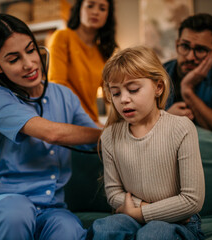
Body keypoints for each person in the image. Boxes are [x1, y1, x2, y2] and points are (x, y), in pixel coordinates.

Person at [0, 13, 101, 240]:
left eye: (31, 50)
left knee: (68, 229)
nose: (29, 64)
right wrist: (108, 132)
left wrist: (141, 122)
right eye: (14, 59)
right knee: (17, 211)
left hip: (50, 211)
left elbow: (94, 140)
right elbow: (52, 133)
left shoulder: (64, 95)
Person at [87, 46, 205, 240]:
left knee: (154, 233)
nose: (124, 99)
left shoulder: (181, 128)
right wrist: (142, 211)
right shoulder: (109, 136)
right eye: (115, 93)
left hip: (179, 222)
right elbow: (113, 193)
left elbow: (192, 201)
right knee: (104, 229)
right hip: (131, 217)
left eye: (133, 89)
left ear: (158, 87)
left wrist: (140, 212)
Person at [165, 13, 212, 134]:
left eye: (200, 50)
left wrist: (188, 91)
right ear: (176, 44)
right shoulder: (159, 73)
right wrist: (166, 118)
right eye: (185, 46)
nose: (190, 57)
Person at [48, 0, 117, 126]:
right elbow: (58, 86)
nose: (95, 12)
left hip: (92, 121)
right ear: (79, 9)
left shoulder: (102, 52)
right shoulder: (62, 37)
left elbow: (110, 95)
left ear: (108, 15)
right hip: (68, 120)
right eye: (90, 6)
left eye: (102, 8)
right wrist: (91, 124)